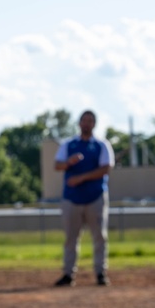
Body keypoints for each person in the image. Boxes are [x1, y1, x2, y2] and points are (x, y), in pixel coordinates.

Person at [53, 110, 114, 287]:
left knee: (99, 237)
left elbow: (105, 168)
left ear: (94, 124)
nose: (86, 124)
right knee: (71, 238)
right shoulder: (69, 144)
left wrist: (81, 178)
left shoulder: (102, 145)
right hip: (71, 198)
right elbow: (57, 165)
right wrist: (68, 163)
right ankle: (68, 274)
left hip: (95, 197)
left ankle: (100, 272)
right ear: (79, 123)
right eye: (84, 120)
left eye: (90, 121)